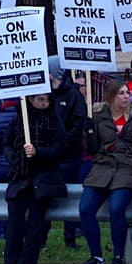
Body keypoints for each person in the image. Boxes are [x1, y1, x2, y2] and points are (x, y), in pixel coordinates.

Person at [78, 79, 132, 264]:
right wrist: (88, 131)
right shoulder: (99, 116)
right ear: (111, 96)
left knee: (116, 208)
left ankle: (118, 257)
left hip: (128, 168)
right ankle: (96, 256)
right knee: (86, 208)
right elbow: (91, 148)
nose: (126, 97)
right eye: (121, 93)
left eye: (127, 93)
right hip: (103, 167)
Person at [0, 93, 68, 264]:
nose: (44, 103)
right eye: (40, 100)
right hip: (20, 176)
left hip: (43, 178)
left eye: (46, 100)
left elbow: (60, 148)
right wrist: (13, 157)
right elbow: (6, 144)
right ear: (30, 100)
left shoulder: (53, 120)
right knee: (14, 223)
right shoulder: (18, 120)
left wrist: (39, 152)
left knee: (35, 225)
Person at [47, 57, 88, 249]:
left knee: (70, 195)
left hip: (69, 155)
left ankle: (70, 237)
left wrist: (63, 143)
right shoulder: (43, 94)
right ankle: (41, 239)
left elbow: (78, 123)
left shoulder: (73, 95)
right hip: (48, 156)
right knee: (45, 197)